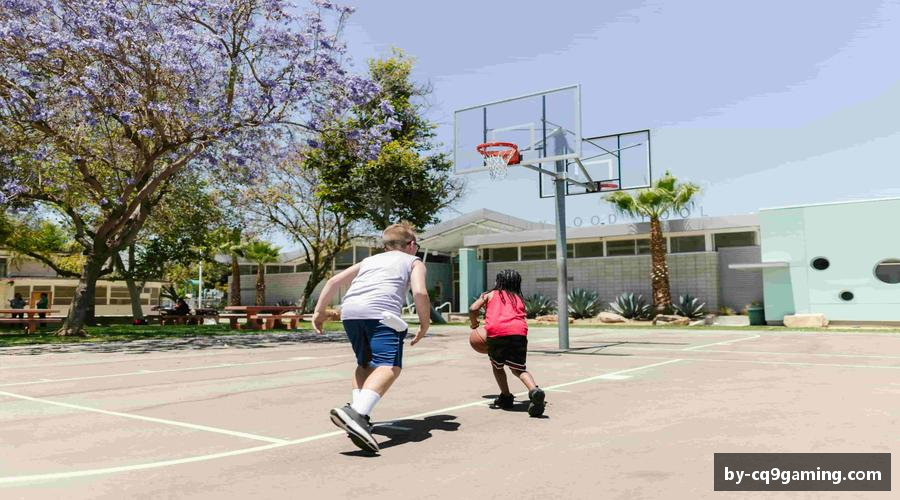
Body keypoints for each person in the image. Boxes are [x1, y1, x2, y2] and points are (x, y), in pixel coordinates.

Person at [313, 222, 430, 453]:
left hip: (350, 313)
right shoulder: (413, 261)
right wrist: (425, 323)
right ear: (411, 245)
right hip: (381, 314)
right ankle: (357, 414)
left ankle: (358, 416)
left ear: (386, 246)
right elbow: (419, 291)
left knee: (365, 364)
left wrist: (319, 312)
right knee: (390, 366)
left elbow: (333, 281)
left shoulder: (369, 260)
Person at [469, 269, 546, 418]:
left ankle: (506, 397)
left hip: (497, 333)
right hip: (519, 333)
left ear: (499, 282)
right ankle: (534, 390)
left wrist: (474, 324)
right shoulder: (518, 297)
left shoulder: (489, 294)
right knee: (519, 369)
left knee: (497, 366)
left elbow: (473, 309)